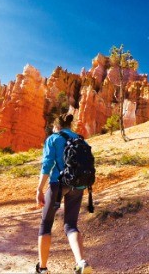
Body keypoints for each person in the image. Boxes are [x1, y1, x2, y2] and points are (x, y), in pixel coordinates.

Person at [35, 113, 91, 274]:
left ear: (56, 126)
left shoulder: (54, 138)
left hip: (57, 184)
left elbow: (47, 165)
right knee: (71, 225)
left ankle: (43, 269)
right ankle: (81, 262)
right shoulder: (80, 139)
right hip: (78, 186)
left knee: (46, 225)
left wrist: (39, 189)